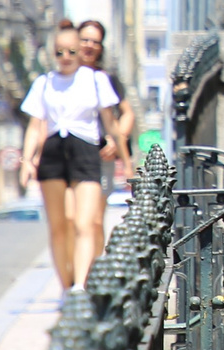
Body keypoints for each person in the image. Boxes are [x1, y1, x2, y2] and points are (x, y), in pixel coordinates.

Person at [19, 24, 117, 289]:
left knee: (85, 223)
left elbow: (110, 121)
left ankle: (80, 287)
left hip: (85, 151)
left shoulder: (95, 80)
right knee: (59, 226)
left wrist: (123, 155)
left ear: (79, 51)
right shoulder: (44, 83)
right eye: (59, 52)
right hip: (53, 152)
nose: (65, 57)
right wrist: (27, 161)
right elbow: (35, 125)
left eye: (71, 51)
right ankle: (66, 285)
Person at [76, 19, 136, 173]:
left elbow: (128, 113)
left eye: (95, 42)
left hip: (103, 154)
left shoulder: (106, 78)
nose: (90, 45)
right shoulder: (63, 78)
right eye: (85, 40)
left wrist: (117, 141)